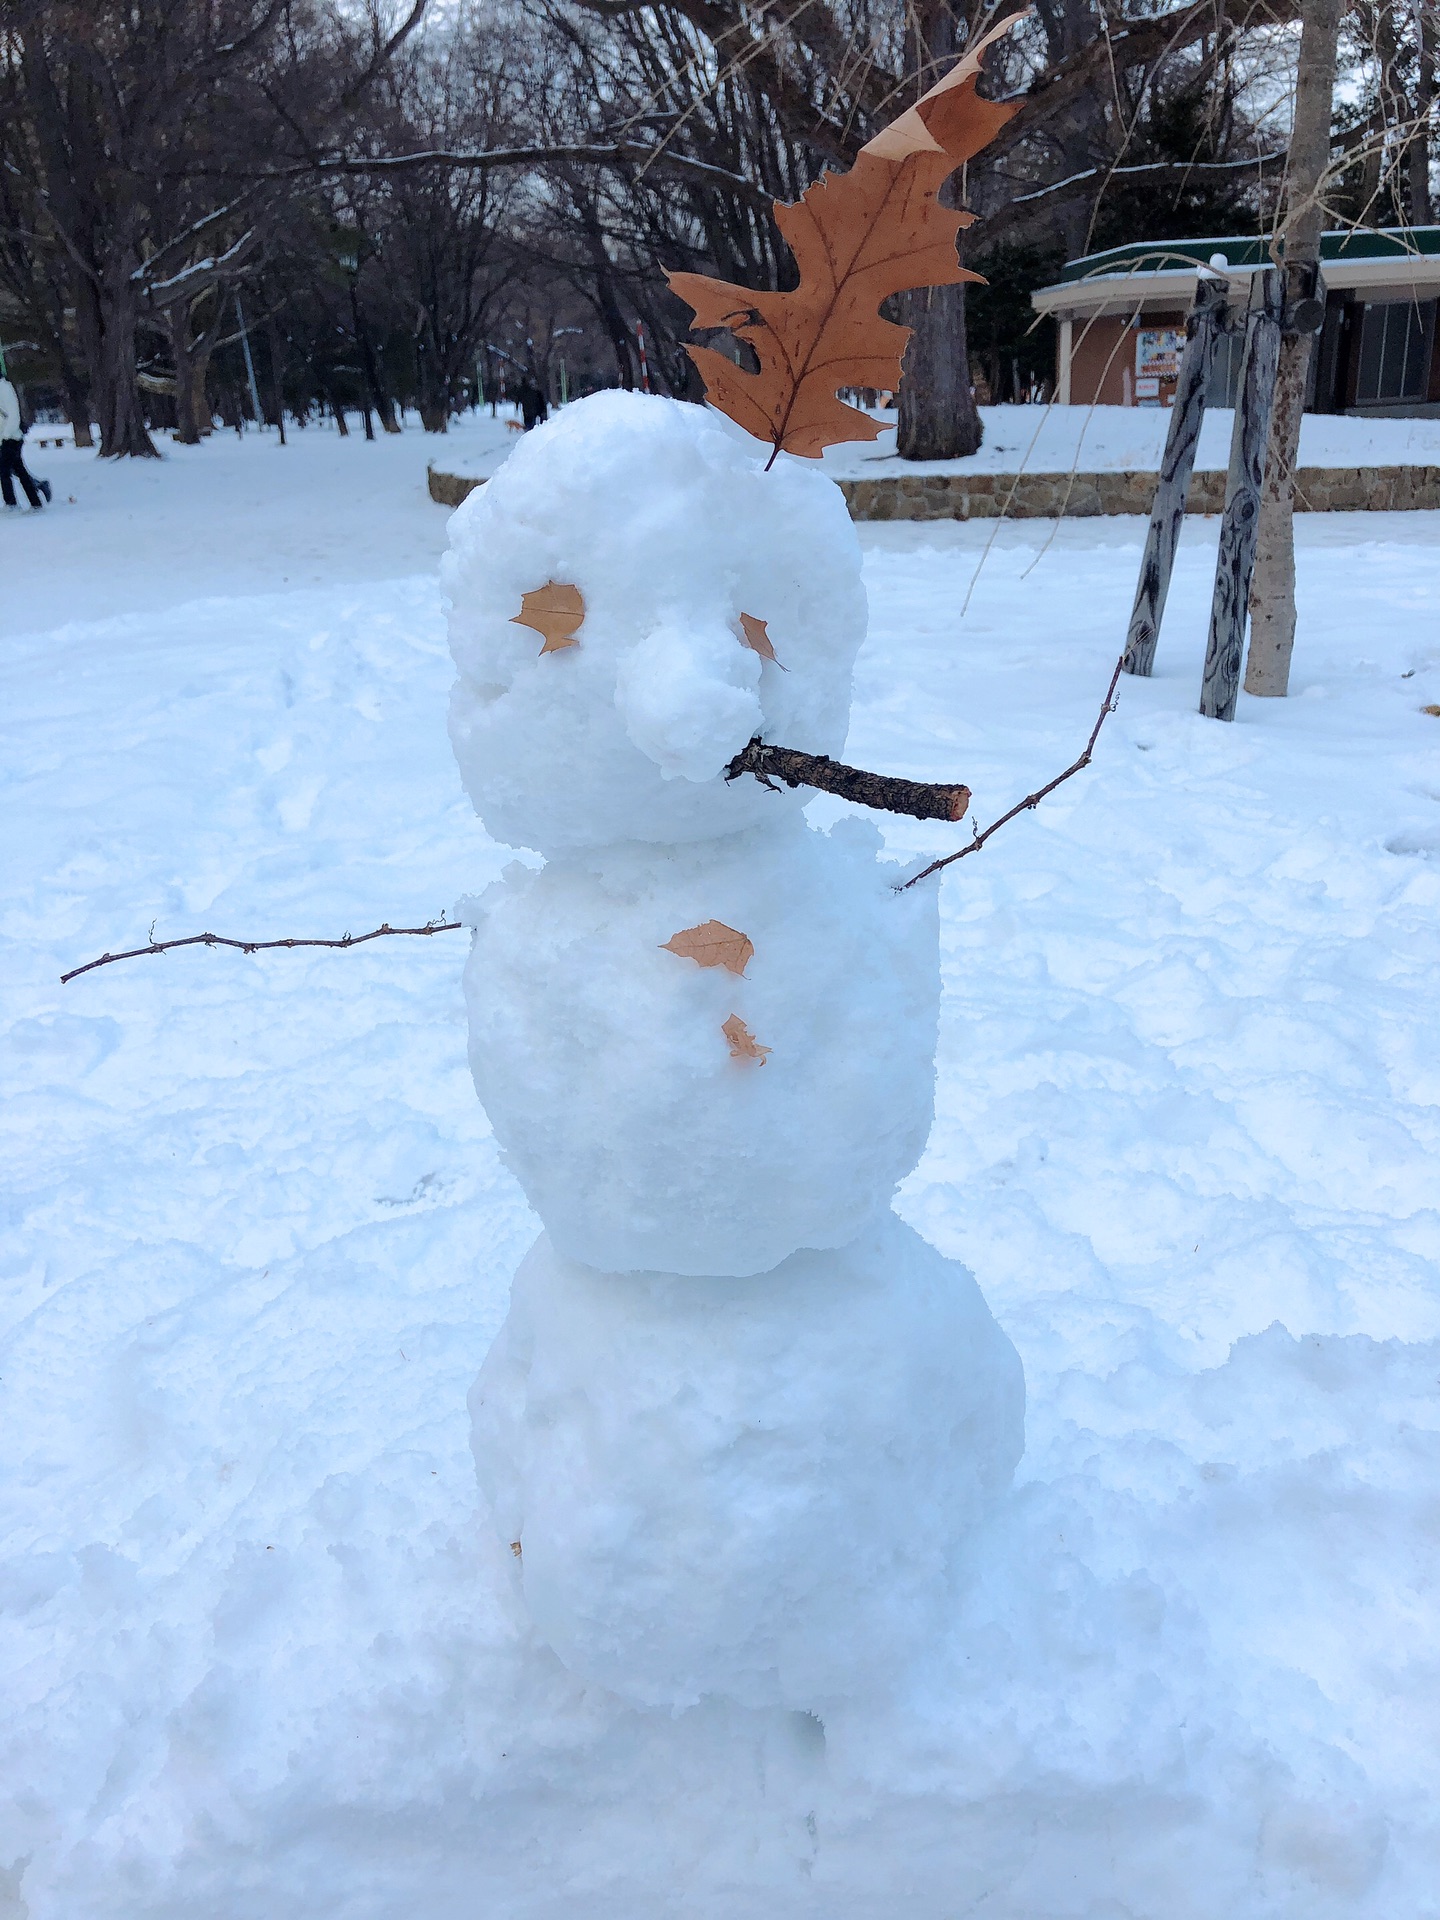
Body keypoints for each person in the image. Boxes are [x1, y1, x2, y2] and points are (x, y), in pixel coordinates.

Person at [0, 372, 51, 510]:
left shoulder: (4, 389)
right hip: (7, 437)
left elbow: (13, 415)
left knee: (4, 471)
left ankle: (11, 503)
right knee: (19, 471)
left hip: (11, 437)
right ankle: (35, 501)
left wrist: (6, 435)